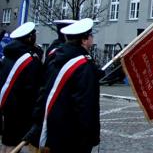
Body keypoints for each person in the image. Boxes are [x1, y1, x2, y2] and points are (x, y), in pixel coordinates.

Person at [33, 18, 101, 152]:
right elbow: (85, 105)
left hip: (56, 131)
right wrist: (91, 137)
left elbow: (44, 90)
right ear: (84, 40)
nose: (92, 39)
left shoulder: (58, 58)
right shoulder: (84, 66)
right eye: (91, 35)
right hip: (73, 136)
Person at [0, 22, 43, 153]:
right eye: (34, 35)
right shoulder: (30, 60)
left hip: (7, 110)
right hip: (24, 114)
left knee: (7, 142)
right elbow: (35, 90)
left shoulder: (7, 56)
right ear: (29, 38)